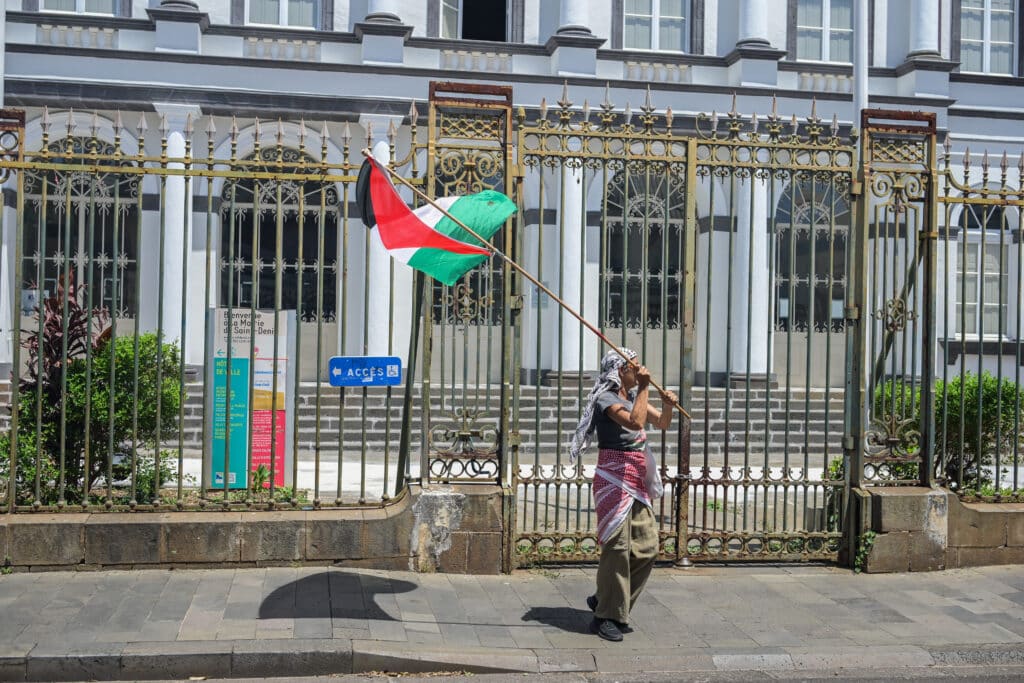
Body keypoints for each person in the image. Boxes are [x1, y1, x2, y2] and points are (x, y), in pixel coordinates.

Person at [569, 347, 678, 642]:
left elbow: (662, 423)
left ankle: (606, 599)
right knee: (617, 549)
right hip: (612, 479)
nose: (639, 368)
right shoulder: (606, 398)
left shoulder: (632, 396)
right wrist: (644, 387)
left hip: (636, 478)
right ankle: (606, 615)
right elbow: (635, 422)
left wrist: (667, 405)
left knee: (647, 546)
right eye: (634, 366)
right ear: (620, 371)